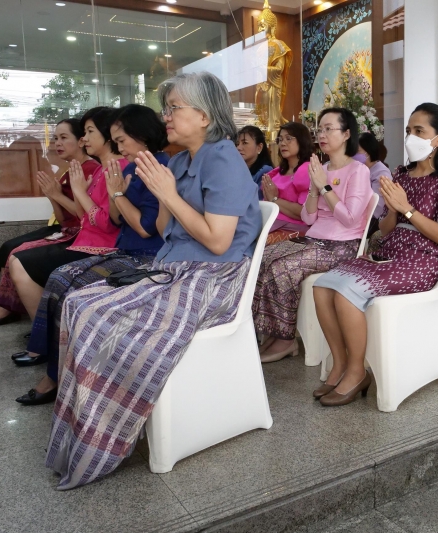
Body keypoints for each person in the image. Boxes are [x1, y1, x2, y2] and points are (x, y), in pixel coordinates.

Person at [46, 72, 262, 490]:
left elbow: (218, 242)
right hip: (174, 265)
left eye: (174, 107)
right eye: (167, 108)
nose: (166, 115)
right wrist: (159, 192)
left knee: (99, 317)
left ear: (203, 115)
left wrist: (169, 195)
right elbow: (165, 230)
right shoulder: (180, 160)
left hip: (214, 277)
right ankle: (82, 433)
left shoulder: (223, 158)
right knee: (78, 302)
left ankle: (102, 441)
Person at [311, 103, 438, 406]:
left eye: (419, 131)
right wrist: (393, 208)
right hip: (390, 250)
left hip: (423, 260)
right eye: (409, 130)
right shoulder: (400, 173)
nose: (411, 136)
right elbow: (384, 226)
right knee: (322, 286)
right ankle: (341, 363)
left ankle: (357, 372)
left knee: (345, 291)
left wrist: (407, 207)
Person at [13, 104, 170, 396]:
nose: (118, 146)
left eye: (122, 140)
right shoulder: (133, 167)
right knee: (59, 277)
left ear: (142, 136)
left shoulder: (157, 167)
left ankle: (58, 377)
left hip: (145, 256)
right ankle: (55, 365)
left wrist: (116, 194)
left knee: (70, 288)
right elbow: (116, 217)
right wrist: (114, 195)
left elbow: (144, 227)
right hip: (123, 249)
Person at [252, 107, 373, 364]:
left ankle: (286, 340)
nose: (322, 134)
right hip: (315, 238)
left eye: (329, 129)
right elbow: (308, 218)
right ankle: (272, 333)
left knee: (283, 267)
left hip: (343, 245)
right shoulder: (322, 168)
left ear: (346, 134)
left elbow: (350, 218)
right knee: (263, 257)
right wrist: (316, 189)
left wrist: (324, 185)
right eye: (320, 129)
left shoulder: (358, 171)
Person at [8, 107, 128, 322]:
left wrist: (80, 192)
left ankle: (41, 337)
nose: (85, 139)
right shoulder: (102, 168)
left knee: (20, 261)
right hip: (86, 239)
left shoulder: (117, 168)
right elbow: (84, 218)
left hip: (104, 246)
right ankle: (42, 333)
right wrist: (63, 193)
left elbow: (106, 224)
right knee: (17, 256)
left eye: (90, 132)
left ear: (107, 134)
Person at [0, 118, 100, 327]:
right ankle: (10, 306)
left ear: (81, 141)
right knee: (7, 247)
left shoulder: (91, 168)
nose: (57, 143)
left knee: (18, 254)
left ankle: (26, 317)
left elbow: (85, 214)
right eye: (56, 138)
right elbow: (62, 217)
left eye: (64, 138)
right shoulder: (68, 170)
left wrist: (57, 194)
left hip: (82, 232)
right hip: (66, 227)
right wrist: (51, 195)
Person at [260, 121, 313, 244]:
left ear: (302, 140)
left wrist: (274, 199)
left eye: (289, 139)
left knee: (255, 242)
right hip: (271, 221)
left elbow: (303, 213)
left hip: (292, 227)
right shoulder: (279, 171)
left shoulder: (306, 170)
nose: (283, 143)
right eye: (280, 139)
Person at [357, 131, 392, 236]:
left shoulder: (381, 173)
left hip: (373, 220)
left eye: (357, 151)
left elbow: (377, 207)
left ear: (367, 152)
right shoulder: (360, 169)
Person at [236, 125, 274, 197]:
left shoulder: (265, 172)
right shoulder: (237, 170)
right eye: (237, 144)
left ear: (259, 147)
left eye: (244, 143)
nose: (238, 147)